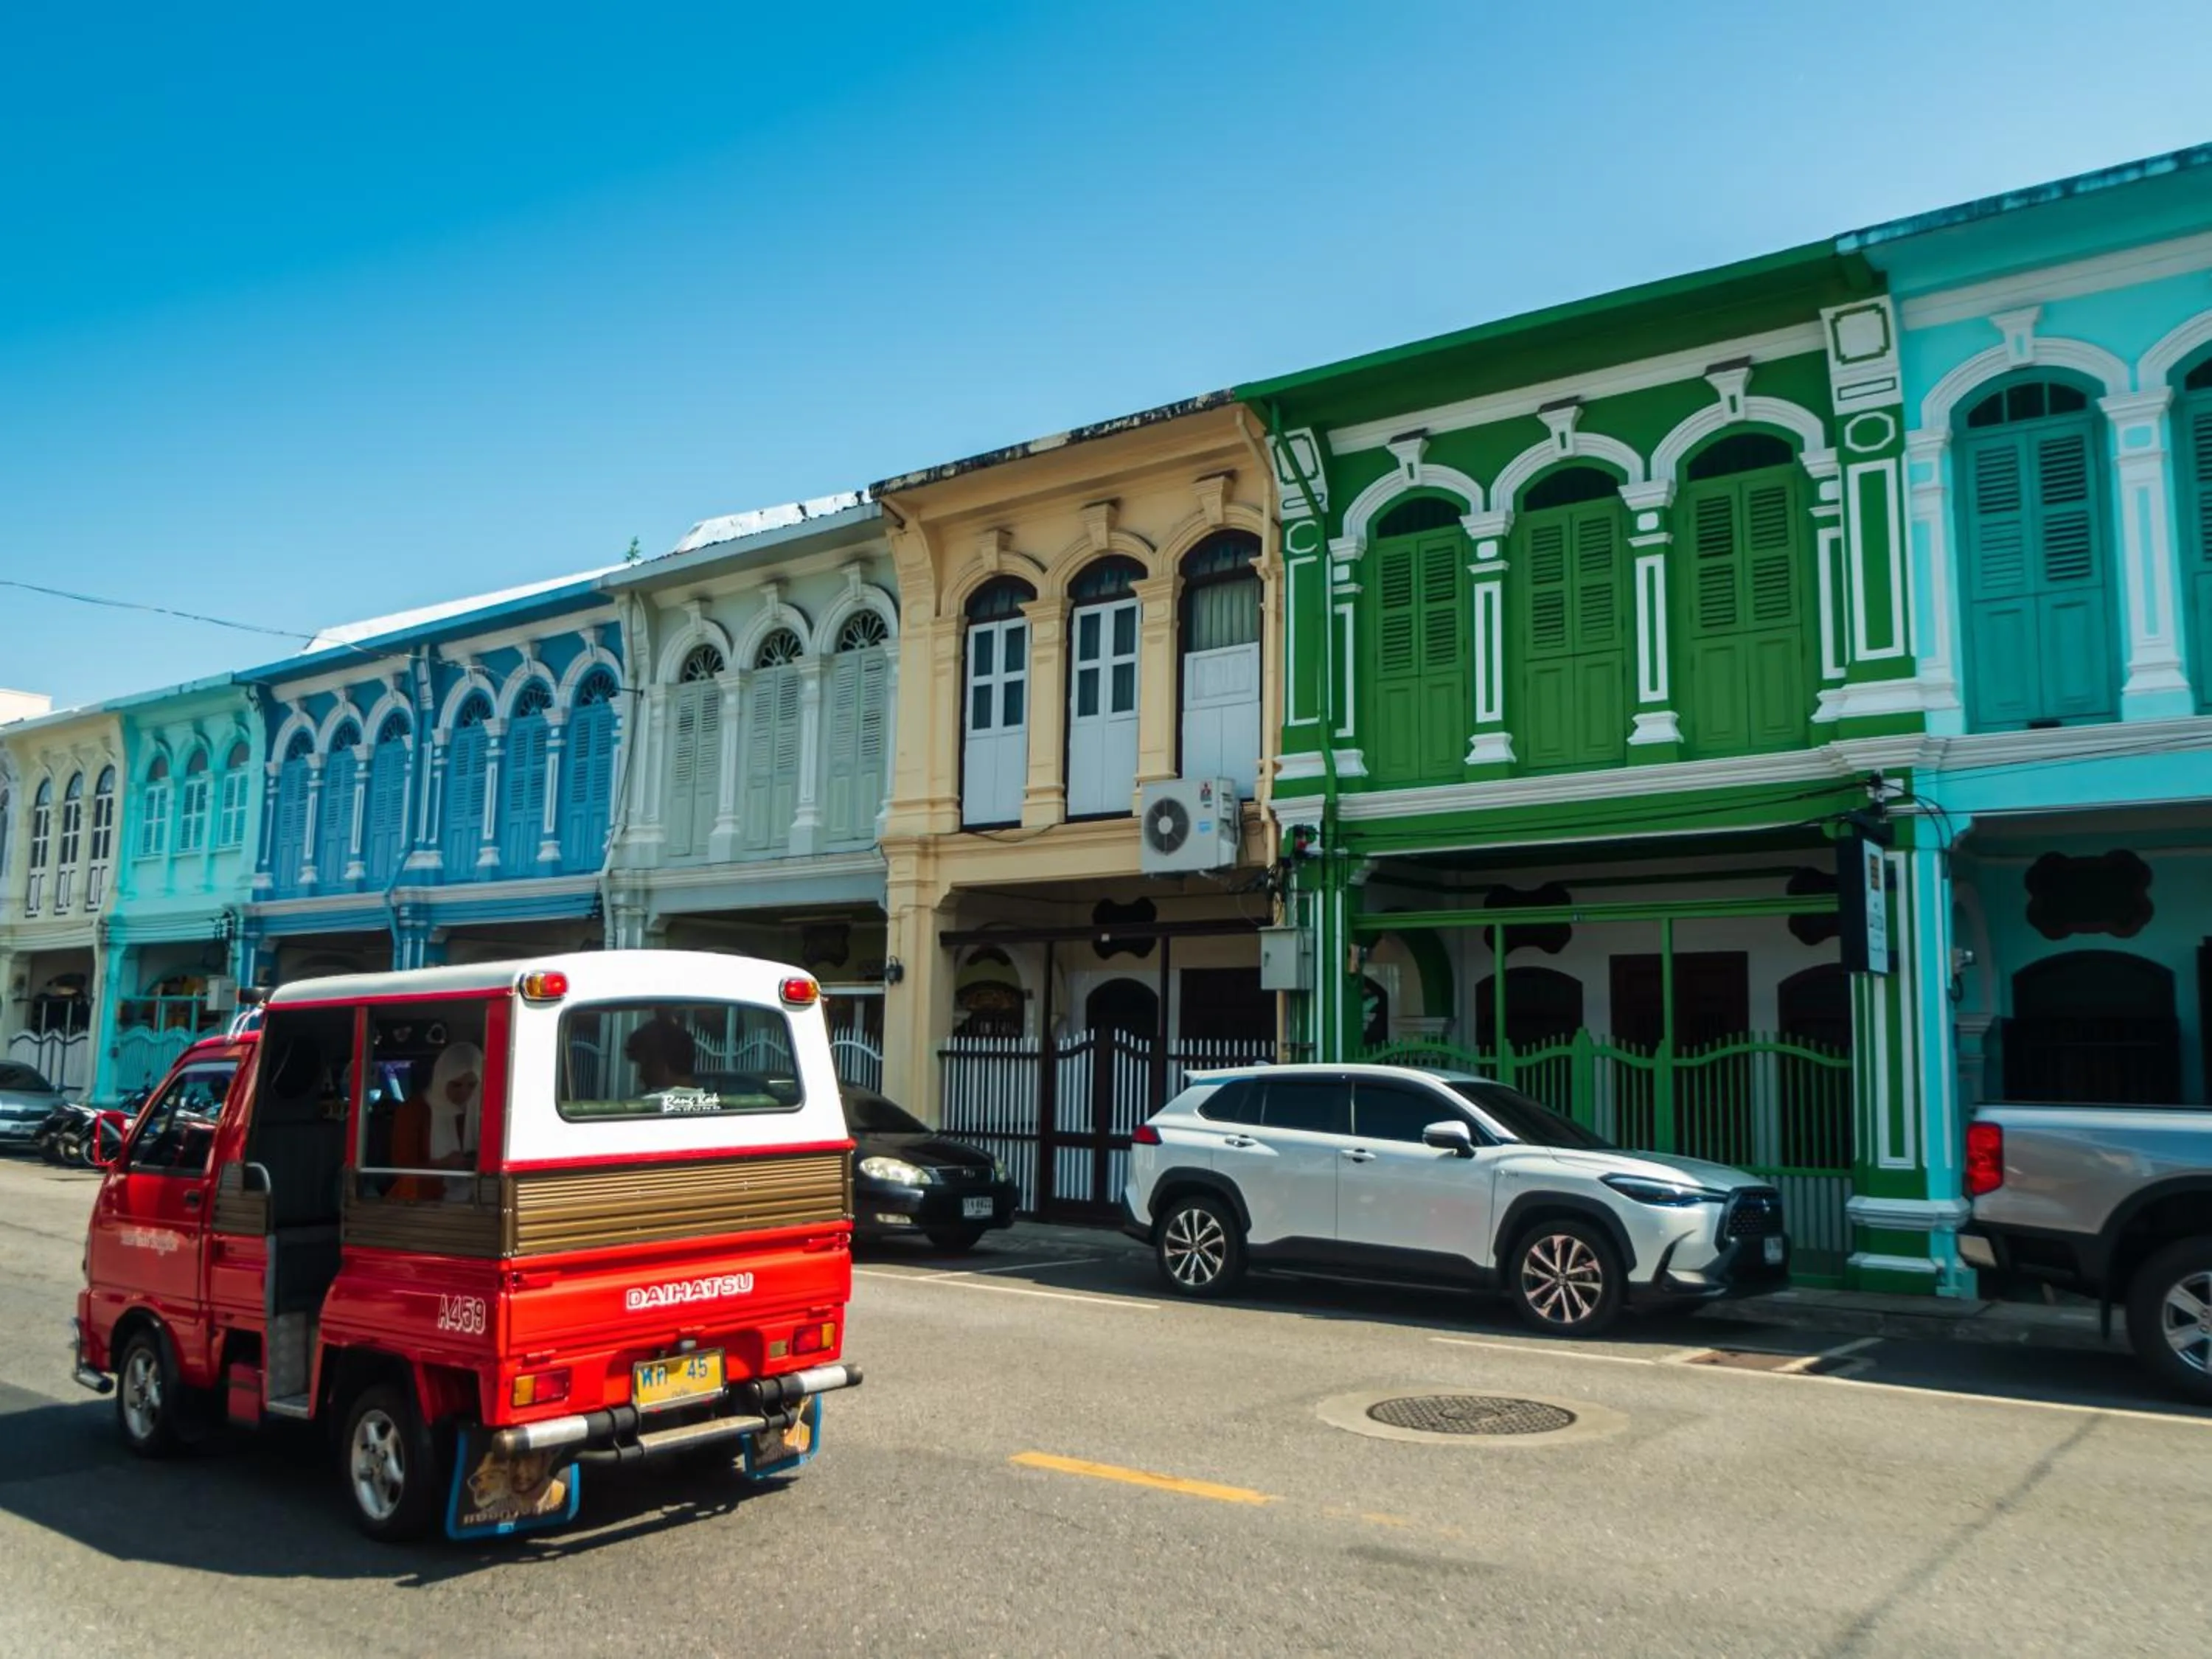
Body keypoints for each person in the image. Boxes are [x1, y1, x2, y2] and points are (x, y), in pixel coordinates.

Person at [389, 1041, 483, 1200]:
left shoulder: (484, 1112)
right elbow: (403, 1168)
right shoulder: (414, 1111)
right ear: (441, 1079)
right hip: (422, 1203)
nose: (464, 1092)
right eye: (456, 1085)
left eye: (472, 1085)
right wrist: (443, 1165)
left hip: (476, 1203)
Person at [625, 1018, 698, 1094]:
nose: (641, 1078)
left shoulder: (646, 1104)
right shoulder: (709, 1103)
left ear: (662, 1067)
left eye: (645, 1067)